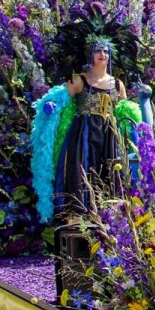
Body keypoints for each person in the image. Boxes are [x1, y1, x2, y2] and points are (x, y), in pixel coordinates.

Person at [55, 39, 127, 217]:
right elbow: (60, 100)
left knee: (109, 170)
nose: (102, 54)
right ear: (90, 54)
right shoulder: (80, 80)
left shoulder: (117, 84)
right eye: (97, 50)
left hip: (109, 135)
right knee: (83, 170)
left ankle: (109, 216)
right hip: (84, 133)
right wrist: (49, 105)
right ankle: (80, 215)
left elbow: (125, 114)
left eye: (106, 51)